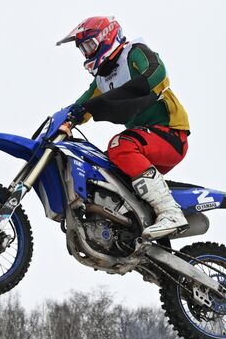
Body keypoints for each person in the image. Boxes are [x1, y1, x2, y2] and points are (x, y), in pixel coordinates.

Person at [56, 16, 192, 239]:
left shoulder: (133, 53)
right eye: (83, 49)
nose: (86, 53)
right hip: (145, 143)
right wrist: (64, 120)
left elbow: (157, 72)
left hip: (171, 134)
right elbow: (82, 105)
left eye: (89, 45)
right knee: (103, 169)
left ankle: (171, 212)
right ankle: (126, 229)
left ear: (106, 36)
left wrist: (119, 95)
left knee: (119, 146)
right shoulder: (101, 80)